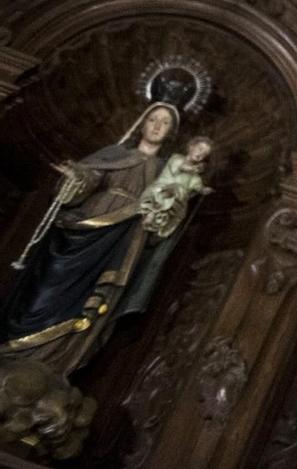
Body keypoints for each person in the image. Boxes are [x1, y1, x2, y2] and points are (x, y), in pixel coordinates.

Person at [0, 105, 202, 377]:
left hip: (123, 240)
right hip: (81, 232)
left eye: (164, 123)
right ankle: (15, 345)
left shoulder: (166, 171)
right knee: (44, 289)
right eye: (152, 119)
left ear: (170, 132)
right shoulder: (115, 154)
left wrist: (171, 203)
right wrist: (77, 179)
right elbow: (89, 177)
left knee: (96, 297)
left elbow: (170, 214)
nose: (156, 126)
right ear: (141, 123)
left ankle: (52, 360)